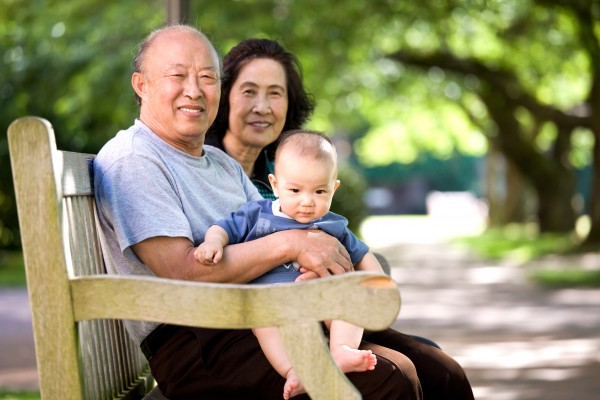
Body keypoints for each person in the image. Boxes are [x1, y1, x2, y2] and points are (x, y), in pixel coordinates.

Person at [94, 24, 424, 399]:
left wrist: (317, 268)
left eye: (207, 78)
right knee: (390, 377)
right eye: (178, 76)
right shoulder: (135, 159)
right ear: (142, 85)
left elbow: (275, 224)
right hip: (202, 342)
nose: (194, 90)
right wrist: (293, 246)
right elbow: (183, 272)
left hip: (265, 312)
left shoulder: (220, 163)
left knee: (438, 371)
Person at [205, 38, 475, 399]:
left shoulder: (295, 163)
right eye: (249, 91)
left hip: (326, 311)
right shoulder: (209, 171)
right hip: (263, 321)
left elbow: (340, 239)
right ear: (224, 97)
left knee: (444, 371)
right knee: (402, 373)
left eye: (275, 93)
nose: (262, 106)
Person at [197, 130, 382, 399]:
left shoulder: (332, 224)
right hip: (272, 303)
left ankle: (340, 349)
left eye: (320, 191)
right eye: (294, 190)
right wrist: (212, 243)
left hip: (320, 300)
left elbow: (362, 254)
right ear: (274, 185)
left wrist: (377, 283)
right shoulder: (257, 214)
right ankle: (293, 370)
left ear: (334, 188)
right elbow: (224, 228)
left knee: (350, 297)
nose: (307, 201)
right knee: (263, 322)